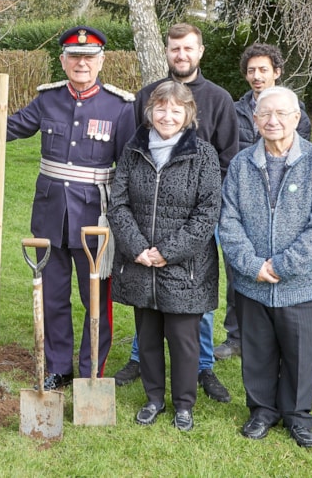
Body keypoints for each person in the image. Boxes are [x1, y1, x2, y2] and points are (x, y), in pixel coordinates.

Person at [0, 25, 135, 390]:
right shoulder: (48, 100)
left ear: (101, 61)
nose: (81, 64)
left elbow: (129, 169)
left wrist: (122, 221)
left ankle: (90, 372)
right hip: (51, 216)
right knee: (53, 296)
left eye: (89, 58)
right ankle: (58, 367)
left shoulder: (120, 107)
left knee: (96, 302)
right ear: (63, 61)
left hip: (96, 220)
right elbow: (11, 126)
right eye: (74, 57)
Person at [114, 23, 238, 405]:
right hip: (144, 218)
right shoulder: (146, 95)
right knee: (148, 297)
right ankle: (141, 360)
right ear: (167, 52)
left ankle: (200, 366)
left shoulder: (219, 98)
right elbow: (131, 152)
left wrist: (201, 208)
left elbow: (228, 156)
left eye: (188, 48)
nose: (181, 55)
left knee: (191, 300)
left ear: (200, 51)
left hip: (197, 213)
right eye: (174, 49)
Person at [219, 86, 312, 449]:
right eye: (264, 114)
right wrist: (252, 265)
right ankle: (261, 411)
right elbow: (229, 221)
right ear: (255, 120)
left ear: (296, 118)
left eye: (281, 114)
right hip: (253, 282)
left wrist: (283, 266)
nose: (272, 121)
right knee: (257, 351)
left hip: (303, 285)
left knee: (300, 353)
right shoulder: (242, 164)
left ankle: (297, 415)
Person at [108, 81, 221, 432]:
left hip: (185, 269)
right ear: (150, 112)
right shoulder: (133, 150)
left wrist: (168, 252)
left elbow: (207, 212)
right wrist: (137, 248)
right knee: (148, 338)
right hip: (140, 263)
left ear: (188, 114)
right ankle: (154, 397)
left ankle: (184, 404)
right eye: (160, 108)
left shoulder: (203, 154)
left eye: (175, 109)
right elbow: (118, 202)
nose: (167, 115)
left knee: (184, 342)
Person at [219, 42, 311, 361]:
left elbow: (303, 160)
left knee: (281, 269)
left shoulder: (295, 111)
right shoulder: (233, 110)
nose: (257, 76)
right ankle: (236, 335)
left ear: (277, 72)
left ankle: (280, 332)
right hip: (242, 201)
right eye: (251, 71)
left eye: (263, 70)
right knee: (238, 272)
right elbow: (226, 152)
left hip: (285, 204)